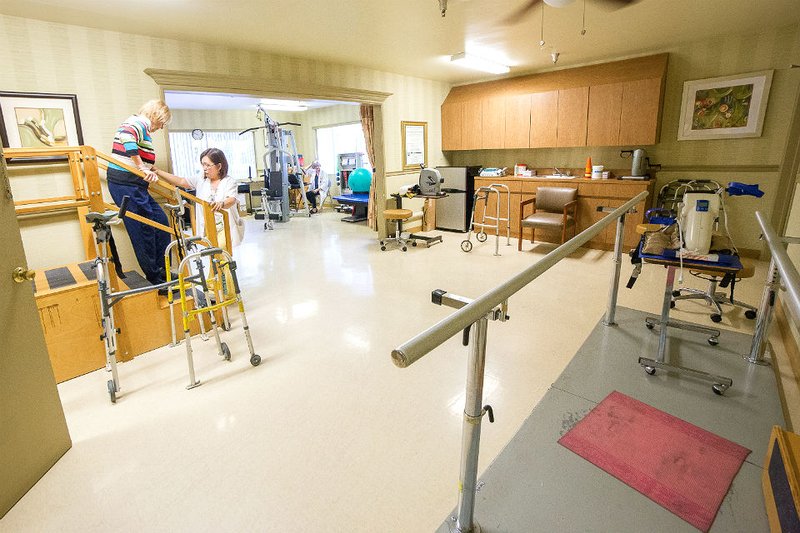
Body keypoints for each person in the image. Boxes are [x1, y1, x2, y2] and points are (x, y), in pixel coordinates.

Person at [107, 100, 173, 284]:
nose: (161, 127)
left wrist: (146, 168)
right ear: (156, 115)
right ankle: (156, 279)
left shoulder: (142, 126)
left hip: (136, 185)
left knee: (161, 222)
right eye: (162, 122)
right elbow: (126, 137)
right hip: (126, 184)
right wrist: (141, 167)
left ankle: (164, 271)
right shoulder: (137, 122)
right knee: (144, 231)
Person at [151, 148, 245, 250]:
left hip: (224, 225)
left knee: (221, 251)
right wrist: (158, 172)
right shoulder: (201, 179)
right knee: (212, 253)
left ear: (219, 166)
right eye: (203, 165)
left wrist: (222, 203)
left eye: (208, 165)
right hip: (207, 226)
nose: (204, 168)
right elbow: (181, 181)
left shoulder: (229, 182)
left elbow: (231, 199)